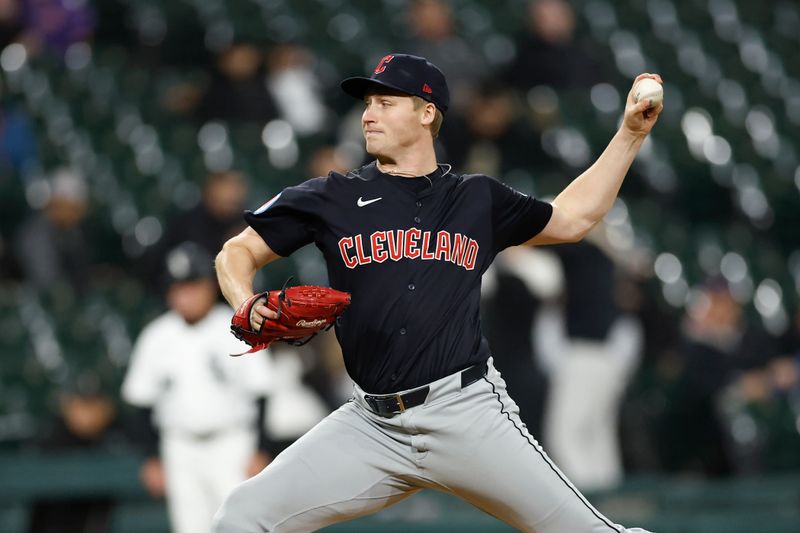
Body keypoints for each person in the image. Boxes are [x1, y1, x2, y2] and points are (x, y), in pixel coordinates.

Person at [213, 53, 662, 532]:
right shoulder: (332, 196)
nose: (368, 114)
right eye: (368, 103)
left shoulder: (477, 198)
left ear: (427, 113)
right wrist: (245, 300)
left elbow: (574, 218)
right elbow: (235, 254)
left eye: (386, 102)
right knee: (242, 516)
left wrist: (630, 134)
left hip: (466, 413)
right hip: (372, 424)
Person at [121, 242, 273, 533]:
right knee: (188, 527)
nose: (185, 295)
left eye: (192, 285)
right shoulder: (156, 336)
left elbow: (262, 392)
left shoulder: (238, 328)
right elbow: (139, 402)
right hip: (179, 447)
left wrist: (261, 449)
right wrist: (151, 457)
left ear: (209, 286)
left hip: (232, 443)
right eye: (178, 288)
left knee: (240, 525)